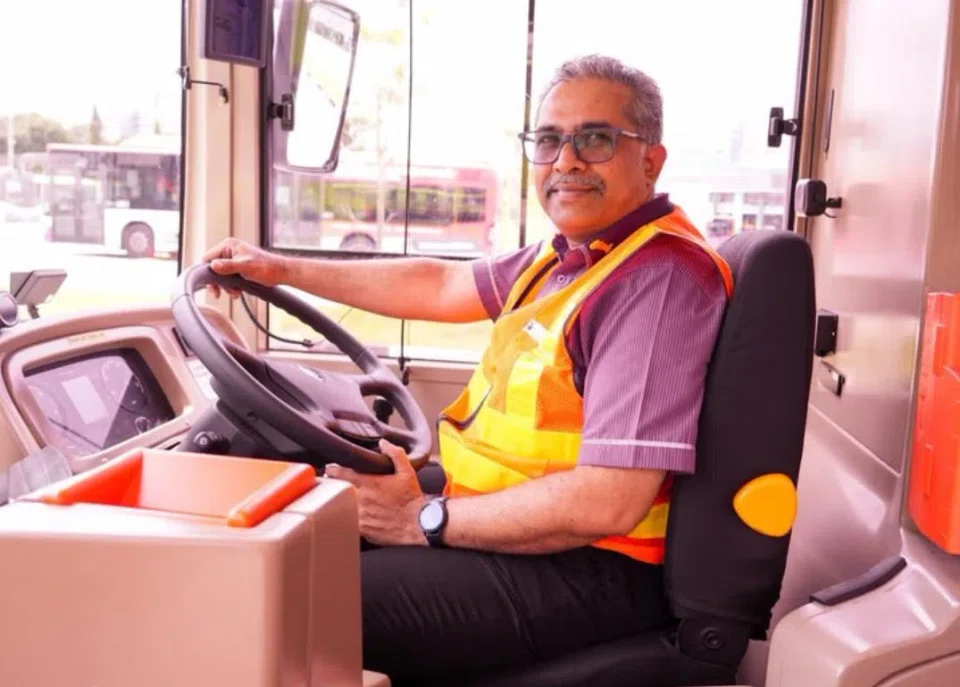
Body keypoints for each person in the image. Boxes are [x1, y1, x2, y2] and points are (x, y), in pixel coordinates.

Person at [203, 54, 732, 685]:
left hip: (592, 566)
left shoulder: (659, 278)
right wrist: (282, 270)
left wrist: (419, 520)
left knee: (276, 602)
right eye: (549, 141)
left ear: (650, 160)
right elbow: (441, 285)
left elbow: (608, 501)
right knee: (277, 543)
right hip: (510, 524)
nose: (566, 161)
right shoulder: (569, 258)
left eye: (595, 139)